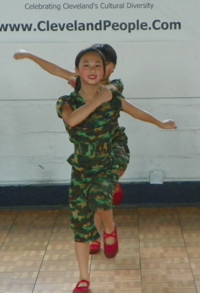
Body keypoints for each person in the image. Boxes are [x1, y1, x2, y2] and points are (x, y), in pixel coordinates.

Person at [56, 47, 176, 293]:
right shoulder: (66, 102)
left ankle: (109, 227)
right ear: (77, 71)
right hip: (80, 166)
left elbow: (135, 111)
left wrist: (159, 123)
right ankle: (83, 278)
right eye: (86, 65)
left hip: (107, 161)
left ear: (104, 71)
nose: (92, 69)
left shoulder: (112, 97)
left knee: (99, 196)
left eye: (97, 65)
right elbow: (72, 120)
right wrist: (98, 99)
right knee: (80, 225)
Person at [14, 44, 127, 255]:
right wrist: (30, 55)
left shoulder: (113, 88)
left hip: (112, 141)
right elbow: (56, 70)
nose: (97, 69)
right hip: (89, 149)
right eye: (89, 64)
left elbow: (130, 108)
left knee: (104, 183)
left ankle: (113, 186)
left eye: (104, 65)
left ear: (110, 68)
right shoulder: (80, 85)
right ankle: (95, 230)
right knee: (93, 192)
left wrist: (160, 123)